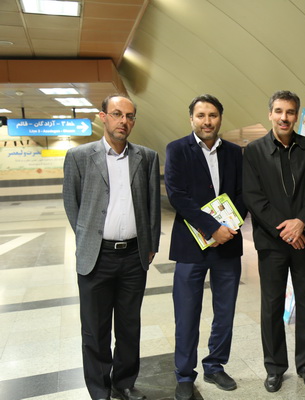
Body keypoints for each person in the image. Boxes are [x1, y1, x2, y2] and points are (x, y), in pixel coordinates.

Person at [63, 94, 160, 400]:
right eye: (117, 114)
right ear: (103, 116)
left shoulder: (146, 157)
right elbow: (72, 203)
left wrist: (151, 244)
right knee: (95, 328)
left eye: (129, 116)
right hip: (97, 257)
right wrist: (88, 239)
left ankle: (124, 382)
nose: (123, 121)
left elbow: (153, 206)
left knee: (130, 326)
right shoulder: (79, 156)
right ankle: (99, 389)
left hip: (133, 256)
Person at [243, 90, 305, 393]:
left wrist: (300, 222)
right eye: (279, 111)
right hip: (272, 242)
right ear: (270, 114)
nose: (284, 117)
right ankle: (275, 368)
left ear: (297, 116)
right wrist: (286, 230)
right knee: (271, 306)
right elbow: (253, 197)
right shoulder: (254, 151)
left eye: (290, 112)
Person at [164, 95, 246, 400]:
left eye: (212, 115)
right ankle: (185, 375)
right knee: (186, 313)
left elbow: (243, 193)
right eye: (201, 115)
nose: (207, 121)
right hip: (191, 247)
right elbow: (177, 195)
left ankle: (215, 366)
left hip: (228, 244)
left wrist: (230, 227)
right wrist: (212, 228)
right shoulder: (176, 149)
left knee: (225, 312)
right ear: (191, 119)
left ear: (220, 118)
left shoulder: (235, 153)